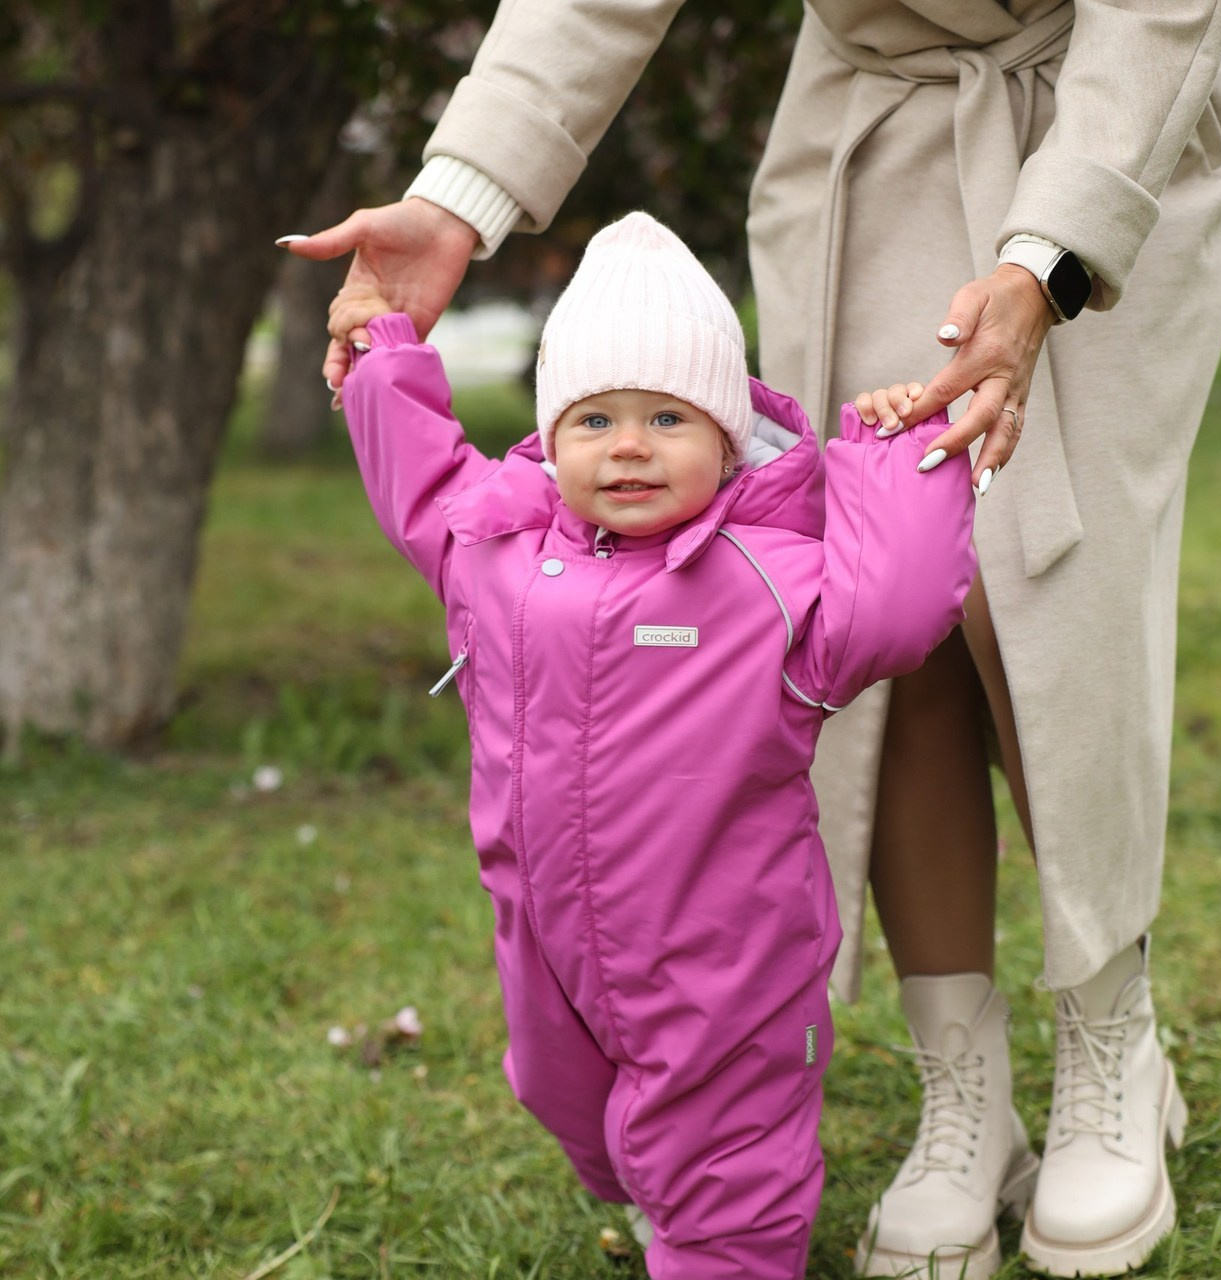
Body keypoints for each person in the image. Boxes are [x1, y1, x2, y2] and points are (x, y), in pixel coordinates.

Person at [280, 3, 1221, 1275]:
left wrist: (1051, 256)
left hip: (1109, 121)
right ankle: (961, 1072)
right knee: (886, 631)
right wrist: (457, 200)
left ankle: (1106, 1033)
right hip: (868, 133)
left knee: (1054, 603)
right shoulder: (502, 541)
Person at [329, 210, 976, 1280]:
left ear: (726, 438)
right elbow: (422, 484)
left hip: (721, 959)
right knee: (560, 1088)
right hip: (545, 941)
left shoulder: (767, 575)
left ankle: (715, 1240)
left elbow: (894, 610)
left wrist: (894, 452)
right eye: (594, 419)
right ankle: (641, 1180)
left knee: (723, 1157)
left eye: (667, 415)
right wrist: (384, 353)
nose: (628, 445)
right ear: (550, 437)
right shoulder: (497, 543)